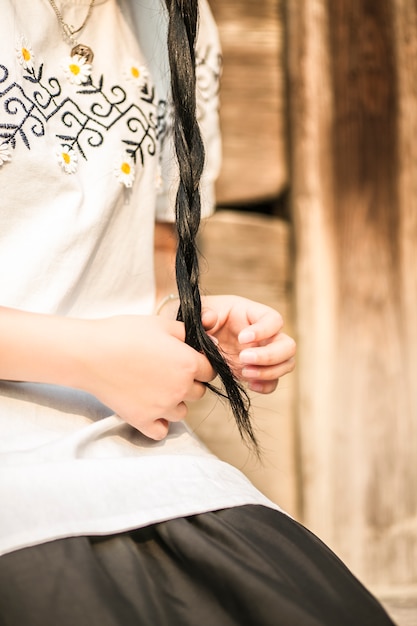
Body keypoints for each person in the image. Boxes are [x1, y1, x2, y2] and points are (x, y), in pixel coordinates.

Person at [0, 1, 394, 624]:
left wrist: (187, 330)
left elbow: (146, 264)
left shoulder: (174, 22)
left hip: (136, 453)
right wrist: (88, 356)